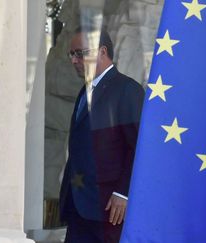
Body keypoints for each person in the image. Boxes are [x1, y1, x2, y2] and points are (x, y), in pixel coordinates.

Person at [59, 27, 145, 243]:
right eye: (72, 54)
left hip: (109, 208)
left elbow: (139, 147)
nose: (74, 60)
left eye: (80, 53)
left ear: (102, 51)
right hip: (79, 205)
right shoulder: (84, 91)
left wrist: (123, 193)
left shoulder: (127, 89)